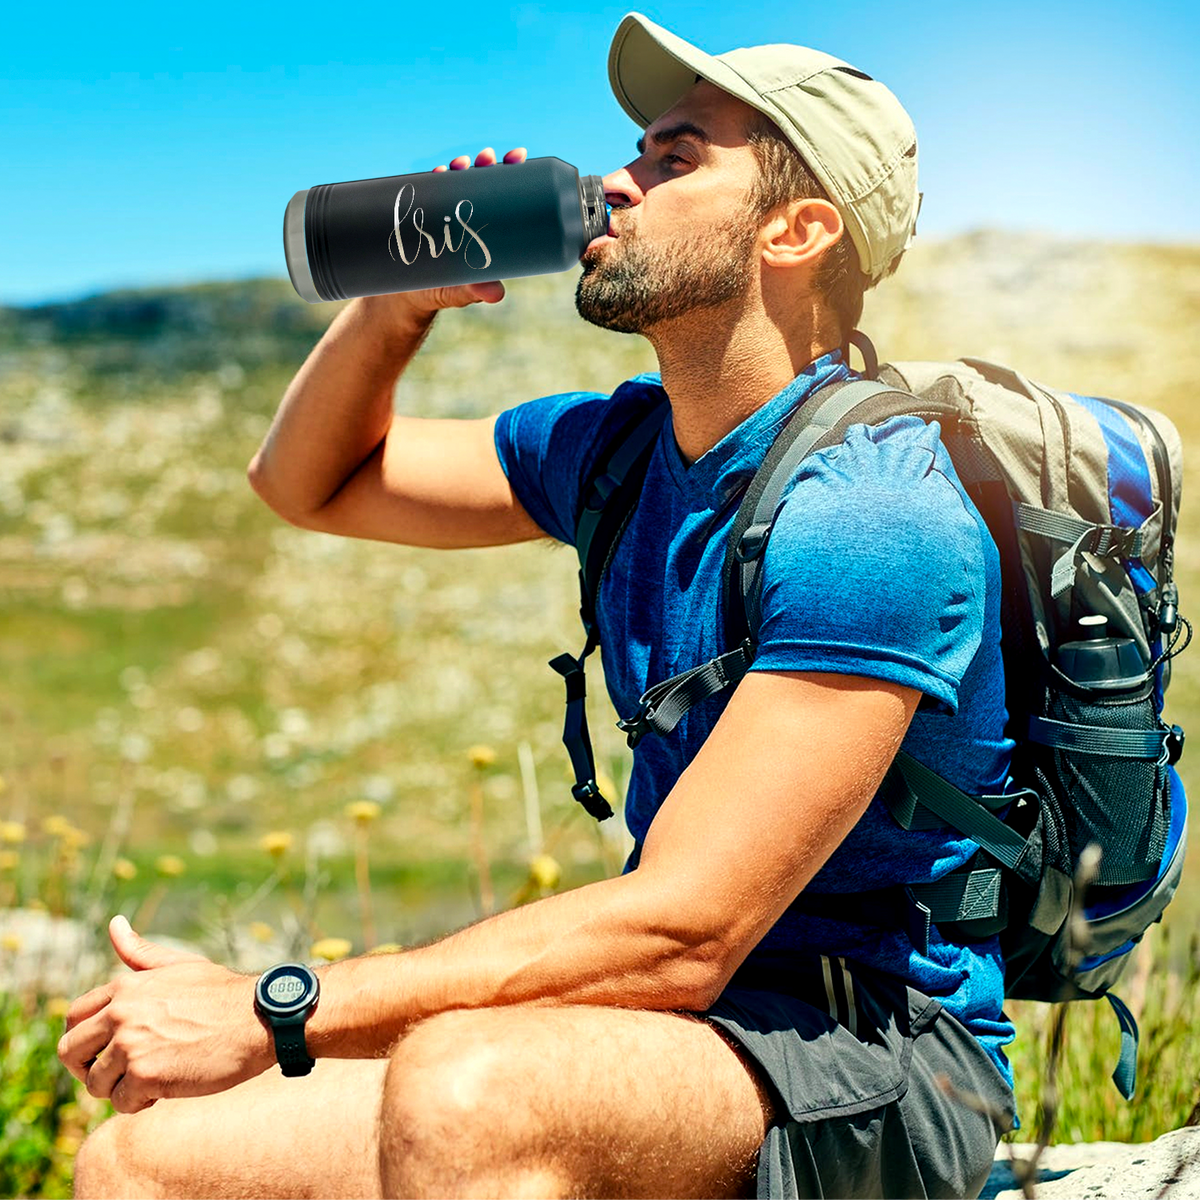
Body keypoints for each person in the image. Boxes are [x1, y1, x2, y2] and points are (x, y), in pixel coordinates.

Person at [60, 12, 1018, 1199]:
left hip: (880, 1060)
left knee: (469, 1091)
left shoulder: (875, 513)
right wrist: (395, 303)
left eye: (674, 158)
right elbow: (310, 484)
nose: (617, 180)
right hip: (681, 1037)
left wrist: (276, 1011)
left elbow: (682, 931)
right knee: (146, 1160)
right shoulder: (613, 448)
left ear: (798, 228)